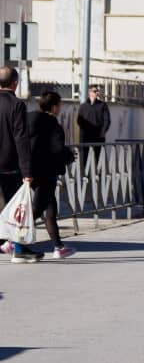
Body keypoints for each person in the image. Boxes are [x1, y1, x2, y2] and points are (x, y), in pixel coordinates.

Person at [26, 91, 76, 258]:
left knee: (50, 208)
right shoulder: (53, 125)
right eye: (59, 105)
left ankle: (58, 246)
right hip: (47, 172)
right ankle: (13, 240)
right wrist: (69, 155)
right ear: (54, 107)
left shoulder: (29, 120)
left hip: (30, 170)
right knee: (38, 208)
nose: (60, 108)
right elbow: (57, 149)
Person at [0, 66, 38, 262]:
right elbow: (21, 139)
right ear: (15, 83)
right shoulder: (16, 105)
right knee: (17, 208)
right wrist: (27, 171)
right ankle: (19, 249)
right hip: (10, 166)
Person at [76, 85, 110, 161]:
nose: (97, 93)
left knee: (99, 160)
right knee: (85, 159)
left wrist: (102, 133)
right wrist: (85, 131)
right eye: (95, 91)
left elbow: (107, 121)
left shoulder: (102, 105)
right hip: (86, 138)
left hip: (98, 138)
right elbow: (79, 121)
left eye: (97, 91)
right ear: (90, 92)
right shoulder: (83, 106)